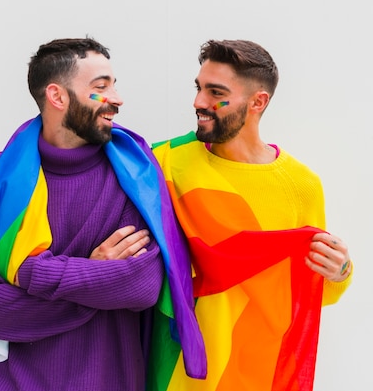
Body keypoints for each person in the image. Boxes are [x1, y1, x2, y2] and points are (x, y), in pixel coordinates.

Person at [0, 38, 205, 391]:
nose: (117, 98)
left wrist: (33, 273)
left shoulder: (134, 178)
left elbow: (142, 286)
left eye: (114, 85)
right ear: (58, 97)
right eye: (101, 87)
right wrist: (95, 275)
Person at [148, 39, 354, 391]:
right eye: (199, 88)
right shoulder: (165, 162)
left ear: (258, 102)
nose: (199, 102)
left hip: (260, 370)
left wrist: (342, 271)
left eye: (216, 92)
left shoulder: (300, 184)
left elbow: (315, 291)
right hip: (181, 374)